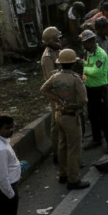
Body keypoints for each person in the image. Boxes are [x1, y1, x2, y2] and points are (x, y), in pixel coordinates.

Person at [40, 48, 89, 190]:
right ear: (73, 63)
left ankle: (63, 174)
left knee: (62, 145)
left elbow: (43, 89)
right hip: (71, 118)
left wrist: (58, 99)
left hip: (58, 115)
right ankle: (73, 179)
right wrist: (72, 106)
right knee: (74, 149)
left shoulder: (55, 77)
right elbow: (84, 100)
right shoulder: (75, 79)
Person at [80, 29, 108, 154]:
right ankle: (96, 139)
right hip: (90, 88)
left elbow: (97, 71)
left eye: (85, 43)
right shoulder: (88, 52)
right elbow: (89, 66)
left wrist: (83, 68)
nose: (83, 45)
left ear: (92, 41)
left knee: (104, 117)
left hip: (100, 89)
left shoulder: (100, 54)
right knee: (92, 115)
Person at [40, 26, 62, 164]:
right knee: (57, 124)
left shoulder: (57, 51)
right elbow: (51, 77)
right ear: (50, 41)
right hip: (55, 94)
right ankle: (57, 153)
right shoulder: (47, 57)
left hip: (63, 91)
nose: (59, 41)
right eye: (57, 39)